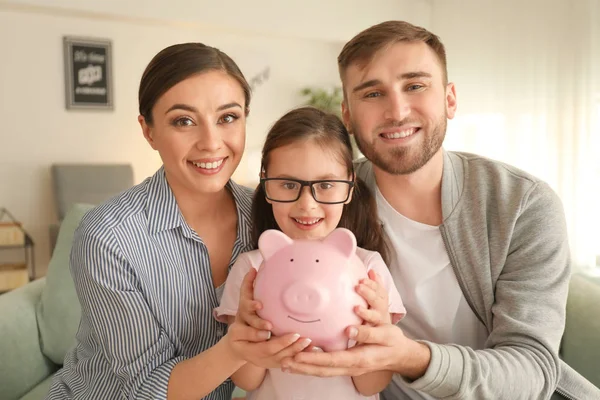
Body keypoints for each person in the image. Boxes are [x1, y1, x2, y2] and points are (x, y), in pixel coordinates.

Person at [273, 21, 600, 400]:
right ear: (347, 115)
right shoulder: (327, 200)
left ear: (450, 99)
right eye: (372, 93)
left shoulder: (523, 204)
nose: (396, 111)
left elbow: (531, 370)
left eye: (415, 86)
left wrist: (410, 357)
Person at [45, 43, 308, 400]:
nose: (211, 143)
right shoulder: (106, 236)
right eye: (184, 121)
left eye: (228, 118)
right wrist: (237, 348)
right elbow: (147, 388)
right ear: (149, 130)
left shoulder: (269, 216)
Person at [214, 106, 406, 399]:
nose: (307, 205)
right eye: (289, 184)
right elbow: (247, 380)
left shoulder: (368, 268)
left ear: (349, 185)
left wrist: (376, 330)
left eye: (326, 185)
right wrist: (246, 331)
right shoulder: (251, 269)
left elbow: (371, 385)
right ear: (266, 183)